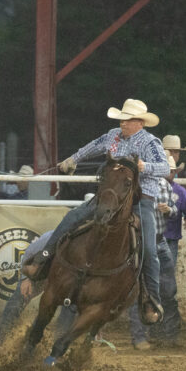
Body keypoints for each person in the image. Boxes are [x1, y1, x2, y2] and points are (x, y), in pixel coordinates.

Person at [21, 98, 169, 324]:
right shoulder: (112, 136)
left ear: (140, 123)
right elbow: (92, 146)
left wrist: (143, 166)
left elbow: (165, 167)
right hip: (109, 198)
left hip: (140, 200)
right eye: (122, 120)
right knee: (73, 217)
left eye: (127, 120)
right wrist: (73, 159)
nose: (123, 123)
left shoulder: (150, 143)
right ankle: (42, 258)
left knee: (149, 248)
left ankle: (151, 300)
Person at [0, 230, 77, 344]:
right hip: (41, 274)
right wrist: (25, 278)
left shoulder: (85, 244)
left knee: (66, 306)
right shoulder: (52, 237)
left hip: (62, 280)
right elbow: (29, 253)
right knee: (18, 300)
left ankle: (57, 344)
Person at [128, 161, 180, 349]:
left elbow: (174, 210)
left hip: (160, 239)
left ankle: (167, 334)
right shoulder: (137, 185)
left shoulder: (165, 185)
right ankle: (139, 337)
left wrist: (170, 210)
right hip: (141, 242)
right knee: (140, 290)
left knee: (168, 289)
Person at [163, 154, 186, 264]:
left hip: (171, 239)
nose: (167, 174)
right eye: (165, 170)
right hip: (153, 238)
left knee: (169, 269)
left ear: (175, 173)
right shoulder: (152, 188)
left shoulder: (181, 192)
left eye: (171, 171)